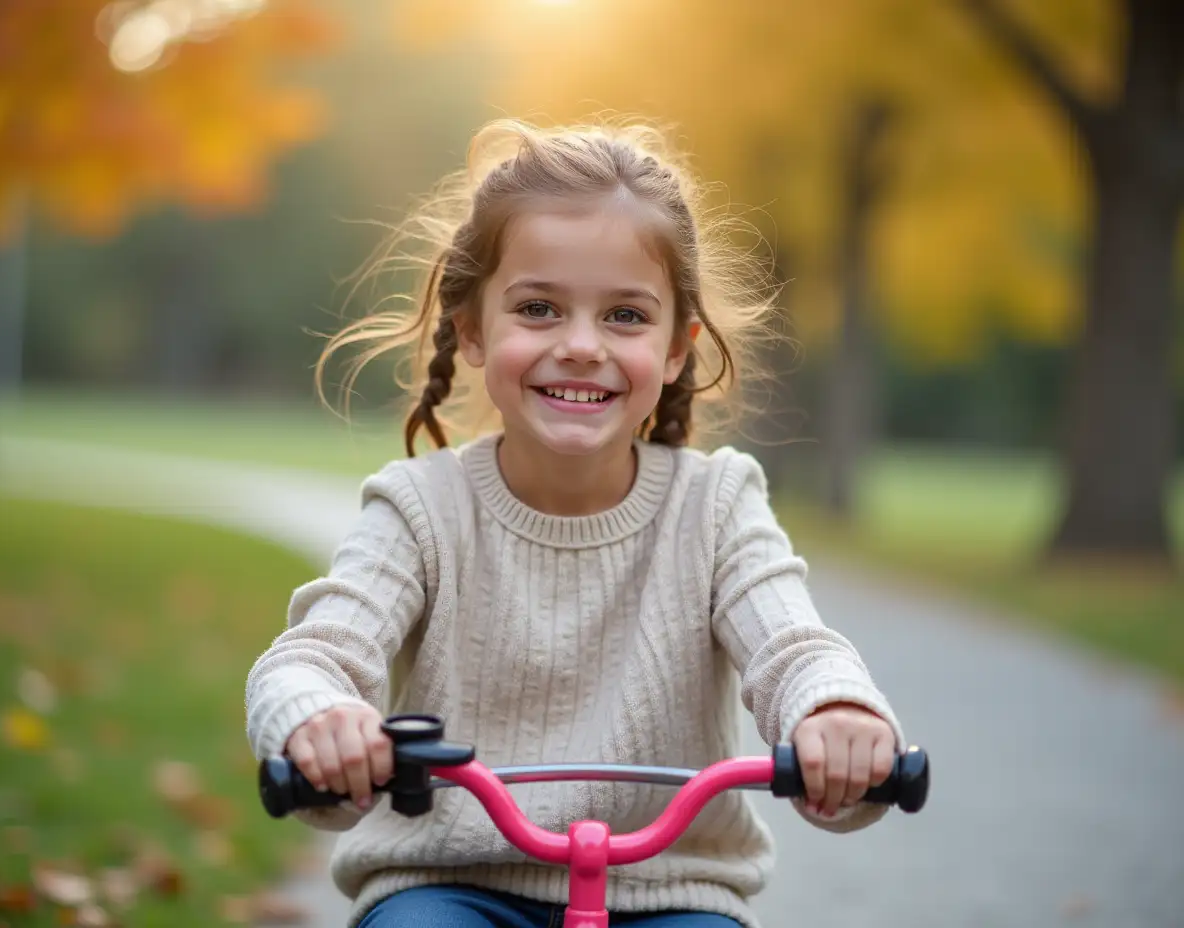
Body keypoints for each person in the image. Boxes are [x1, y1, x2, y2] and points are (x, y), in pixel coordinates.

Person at [245, 117, 905, 928]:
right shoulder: (420, 509)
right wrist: (323, 719)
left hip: (670, 892)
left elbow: (790, 646)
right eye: (539, 308)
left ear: (674, 349)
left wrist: (835, 715)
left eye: (626, 316)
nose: (583, 346)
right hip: (448, 885)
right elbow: (315, 655)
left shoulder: (717, 506)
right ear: (475, 331)